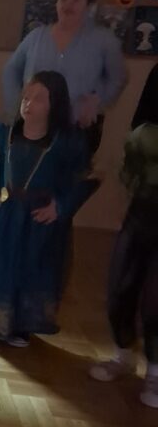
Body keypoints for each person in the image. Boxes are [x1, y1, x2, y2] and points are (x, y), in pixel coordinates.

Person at [0, 71, 94, 346]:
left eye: (39, 99)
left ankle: (19, 325)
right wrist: (0, 190)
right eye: (26, 97)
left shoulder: (67, 142)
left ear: (55, 105)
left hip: (39, 219)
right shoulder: (6, 132)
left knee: (31, 268)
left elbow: (82, 181)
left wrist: (59, 207)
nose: (28, 103)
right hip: (10, 214)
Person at [89, 62, 158, 407]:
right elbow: (136, 137)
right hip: (143, 207)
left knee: (156, 296)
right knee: (121, 283)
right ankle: (123, 354)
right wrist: (123, 201)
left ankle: (155, 373)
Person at [2, 0, 126, 158]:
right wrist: (15, 108)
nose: (69, 4)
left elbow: (118, 78)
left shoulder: (104, 41)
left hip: (77, 127)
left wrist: (98, 101)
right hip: (34, 126)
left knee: (71, 174)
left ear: (89, 5)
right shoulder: (36, 37)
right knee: (30, 172)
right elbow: (11, 70)